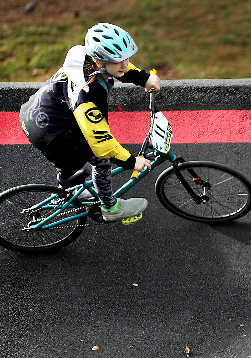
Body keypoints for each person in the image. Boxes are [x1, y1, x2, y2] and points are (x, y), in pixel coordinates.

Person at [19, 23, 160, 222]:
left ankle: (65, 190)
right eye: (118, 60)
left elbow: (121, 69)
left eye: (126, 57)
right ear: (100, 61)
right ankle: (110, 208)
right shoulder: (88, 94)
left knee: (71, 161)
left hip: (38, 115)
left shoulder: (88, 59)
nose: (125, 63)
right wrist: (131, 161)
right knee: (100, 160)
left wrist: (143, 78)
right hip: (51, 132)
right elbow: (101, 141)